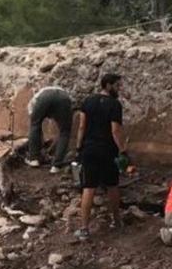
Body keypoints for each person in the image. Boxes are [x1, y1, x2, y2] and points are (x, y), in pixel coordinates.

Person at [73, 73, 127, 241]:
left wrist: (78, 147)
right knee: (112, 185)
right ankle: (117, 222)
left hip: (89, 150)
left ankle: (84, 229)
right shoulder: (115, 105)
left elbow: (82, 126)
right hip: (107, 151)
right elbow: (115, 131)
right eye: (117, 85)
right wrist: (123, 150)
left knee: (88, 188)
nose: (119, 89)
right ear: (108, 85)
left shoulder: (88, 101)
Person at [26, 86, 76, 173]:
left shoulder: (33, 101)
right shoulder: (46, 92)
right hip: (63, 98)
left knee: (35, 125)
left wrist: (38, 146)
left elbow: (35, 124)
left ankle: (34, 159)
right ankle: (56, 166)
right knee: (65, 132)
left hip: (45, 98)